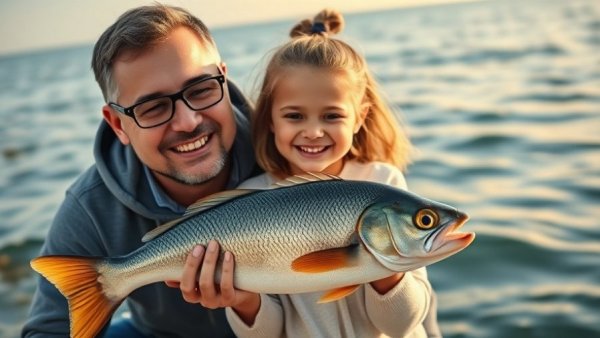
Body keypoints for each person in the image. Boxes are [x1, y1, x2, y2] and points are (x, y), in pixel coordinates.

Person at [22, 4, 261, 337]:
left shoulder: (290, 150)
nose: (188, 122)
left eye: (202, 89)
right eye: (153, 108)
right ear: (118, 124)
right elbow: (47, 330)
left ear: (223, 75)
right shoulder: (92, 205)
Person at [221, 9, 442, 338]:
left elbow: (401, 326)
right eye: (294, 116)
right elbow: (265, 334)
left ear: (359, 117)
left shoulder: (384, 184)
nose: (313, 132)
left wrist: (384, 266)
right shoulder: (253, 200)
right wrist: (242, 302)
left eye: (332, 116)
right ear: (269, 119)